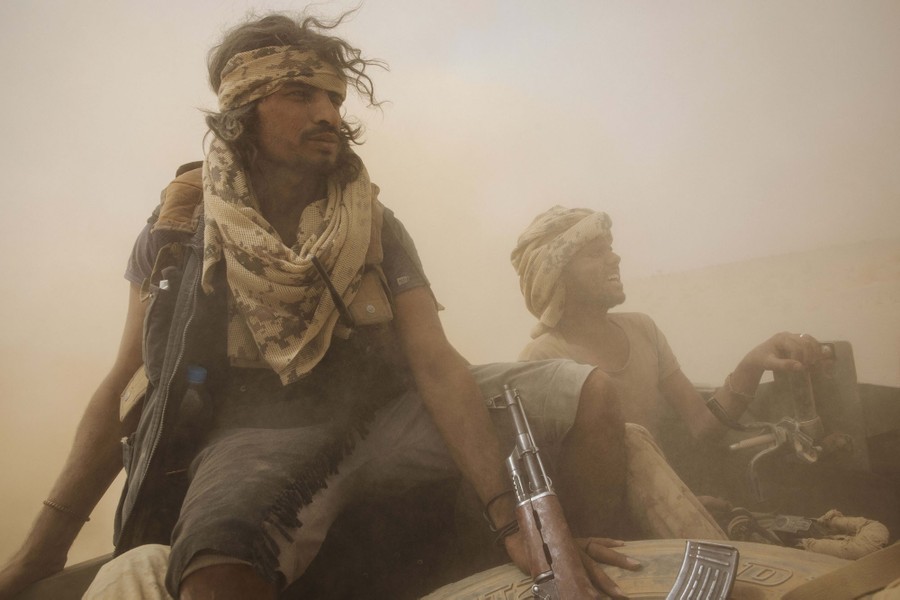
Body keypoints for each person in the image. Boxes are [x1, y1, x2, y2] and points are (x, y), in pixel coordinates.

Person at [0, 14, 640, 600]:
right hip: (257, 440)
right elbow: (127, 384)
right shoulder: (179, 233)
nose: (328, 113)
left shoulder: (371, 218)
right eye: (301, 95)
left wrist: (517, 520)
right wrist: (41, 551)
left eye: (334, 97)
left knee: (585, 393)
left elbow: (435, 363)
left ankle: (610, 570)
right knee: (215, 578)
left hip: (390, 413)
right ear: (244, 107)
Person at [511, 205, 830, 444]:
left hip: (663, 501)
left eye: (610, 248)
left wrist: (753, 362)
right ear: (557, 277)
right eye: (596, 253)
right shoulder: (541, 359)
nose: (615, 258)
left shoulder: (643, 329)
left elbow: (703, 425)